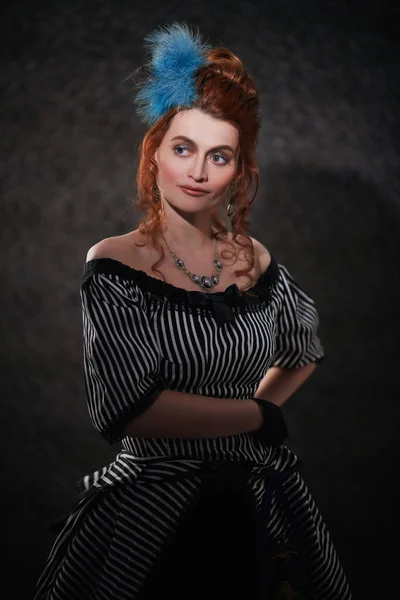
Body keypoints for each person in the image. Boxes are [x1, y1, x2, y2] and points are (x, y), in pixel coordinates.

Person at [34, 23, 352, 600]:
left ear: (239, 170)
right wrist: (258, 418)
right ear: (154, 152)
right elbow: (130, 410)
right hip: (151, 508)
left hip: (259, 500)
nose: (199, 172)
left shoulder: (253, 260)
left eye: (219, 155)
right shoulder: (114, 263)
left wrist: (258, 414)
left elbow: (302, 348)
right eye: (183, 149)